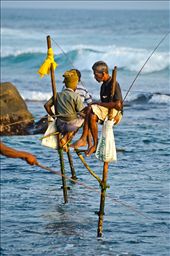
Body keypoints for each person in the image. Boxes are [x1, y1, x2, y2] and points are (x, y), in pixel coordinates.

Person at [71, 61, 123, 156]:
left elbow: (118, 105)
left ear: (103, 73)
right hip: (106, 111)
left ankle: (90, 142)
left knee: (91, 108)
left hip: (116, 113)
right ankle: (88, 141)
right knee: (87, 111)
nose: (94, 77)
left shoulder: (114, 83)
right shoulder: (103, 86)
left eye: (95, 75)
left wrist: (97, 103)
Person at [44, 70, 85, 150]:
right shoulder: (76, 96)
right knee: (84, 119)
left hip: (59, 125)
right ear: (75, 85)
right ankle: (66, 138)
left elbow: (46, 105)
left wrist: (53, 116)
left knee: (73, 121)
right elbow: (82, 112)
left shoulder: (58, 95)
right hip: (70, 126)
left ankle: (65, 142)